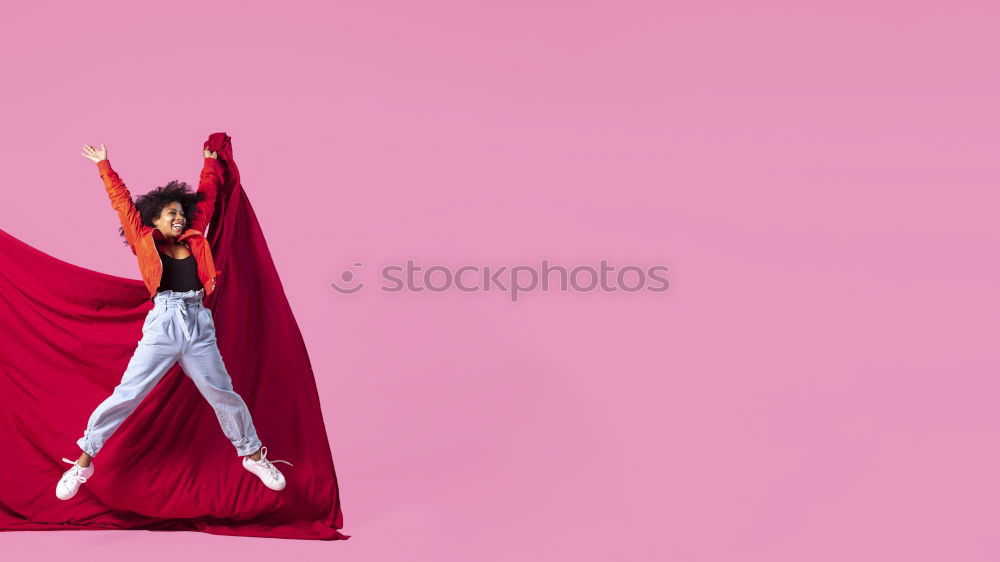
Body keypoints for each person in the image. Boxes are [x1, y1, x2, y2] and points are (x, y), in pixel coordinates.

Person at [55, 142, 292, 501]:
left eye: (180, 212)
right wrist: (105, 166)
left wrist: (209, 164)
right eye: (170, 213)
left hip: (198, 324)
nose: (178, 217)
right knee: (127, 395)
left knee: (223, 394)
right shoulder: (144, 239)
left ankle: (253, 455)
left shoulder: (193, 236)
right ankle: (82, 463)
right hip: (163, 325)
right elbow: (122, 203)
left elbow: (207, 199)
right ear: (154, 220)